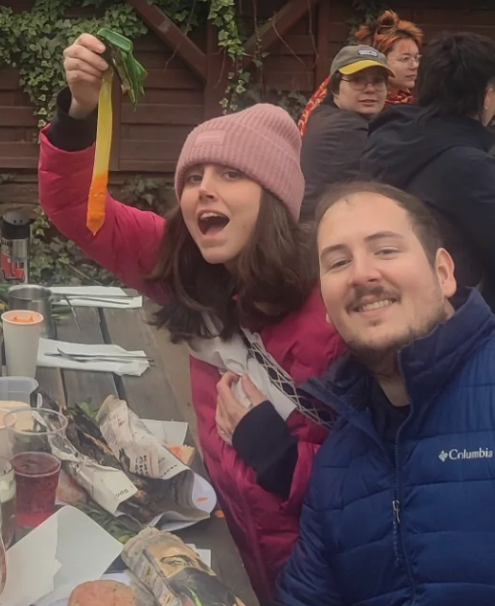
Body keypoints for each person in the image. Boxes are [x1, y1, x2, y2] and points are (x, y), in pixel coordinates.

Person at [40, 34, 342, 604]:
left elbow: (390, 473)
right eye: (194, 176)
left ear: (275, 197)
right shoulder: (187, 265)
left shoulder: (333, 306)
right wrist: (80, 110)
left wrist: (280, 457)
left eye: (231, 174)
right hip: (232, 553)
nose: (205, 189)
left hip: (323, 577)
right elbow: (79, 208)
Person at [279, 182, 495, 606]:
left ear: (443, 273)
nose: (361, 274)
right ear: (327, 307)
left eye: (385, 250)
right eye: (339, 262)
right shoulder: (337, 467)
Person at [360, 30, 495, 322]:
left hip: (398, 305)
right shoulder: (467, 164)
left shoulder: (391, 136)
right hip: (455, 321)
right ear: (487, 96)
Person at [298, 45, 393, 209]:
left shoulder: (323, 114)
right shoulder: (347, 129)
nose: (370, 89)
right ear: (335, 88)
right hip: (322, 222)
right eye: (357, 80)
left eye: (378, 81)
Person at [297, 11, 422, 134]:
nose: (415, 65)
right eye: (405, 58)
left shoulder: (409, 101)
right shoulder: (344, 107)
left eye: (417, 58)